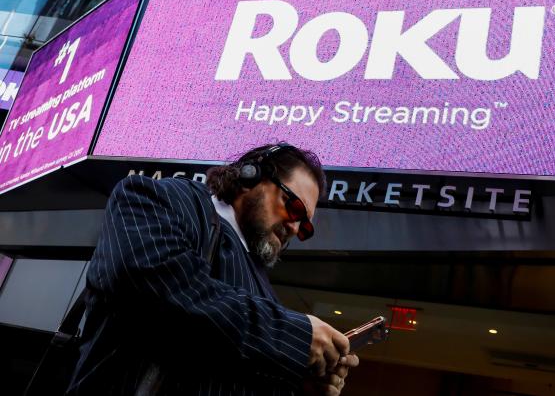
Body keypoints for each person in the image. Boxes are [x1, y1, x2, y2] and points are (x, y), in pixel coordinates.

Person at [67, 143, 359, 395]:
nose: (295, 228)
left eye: (305, 226)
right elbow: (163, 285)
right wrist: (294, 336)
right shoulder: (154, 198)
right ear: (250, 176)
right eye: (293, 208)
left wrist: (296, 383)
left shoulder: (263, 291)